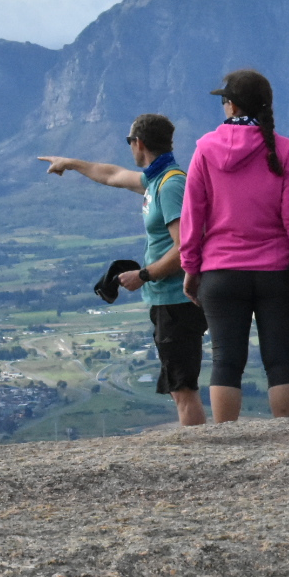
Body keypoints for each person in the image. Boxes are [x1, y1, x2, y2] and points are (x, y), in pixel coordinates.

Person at [38, 114, 207, 426]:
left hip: (176, 300)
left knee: (182, 388)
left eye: (130, 143)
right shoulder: (156, 179)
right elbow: (112, 174)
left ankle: (198, 452)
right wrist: (71, 163)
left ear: (138, 143)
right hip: (168, 300)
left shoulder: (170, 186)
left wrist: (144, 275)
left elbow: (185, 246)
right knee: (177, 386)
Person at [179, 70, 289, 422]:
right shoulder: (285, 150)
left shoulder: (204, 148)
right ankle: (286, 438)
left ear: (230, 105)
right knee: (280, 359)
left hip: (220, 271)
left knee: (226, 361)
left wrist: (191, 267)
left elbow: (193, 214)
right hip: (277, 271)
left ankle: (226, 444)